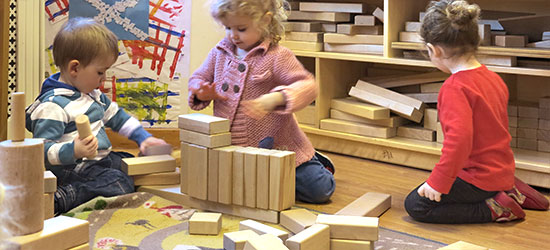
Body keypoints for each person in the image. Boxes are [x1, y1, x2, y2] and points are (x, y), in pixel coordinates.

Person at [404, 0, 549, 224]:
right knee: (435, 190)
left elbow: (459, 142)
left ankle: (497, 207)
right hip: (500, 169)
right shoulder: (494, 78)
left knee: (416, 204)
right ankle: (508, 188)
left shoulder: (454, 88)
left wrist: (437, 182)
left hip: (478, 178)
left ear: (434, 50)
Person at [188, 0, 335, 203]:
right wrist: (200, 91)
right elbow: (198, 78)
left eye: (241, 28)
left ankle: (318, 162)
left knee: (319, 190)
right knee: (219, 188)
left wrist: (277, 98)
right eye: (228, 28)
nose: (233, 35)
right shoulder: (219, 52)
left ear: (265, 20)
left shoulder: (277, 56)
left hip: (278, 147)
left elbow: (308, 85)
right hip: (229, 150)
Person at [26, 17, 169, 214]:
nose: (104, 79)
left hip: (98, 159)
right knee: (119, 183)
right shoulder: (53, 105)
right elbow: (41, 151)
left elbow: (118, 117)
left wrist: (143, 138)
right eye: (100, 72)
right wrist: (73, 150)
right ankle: (63, 197)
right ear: (74, 68)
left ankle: (101, 181)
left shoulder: (93, 95)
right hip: (72, 168)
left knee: (128, 163)